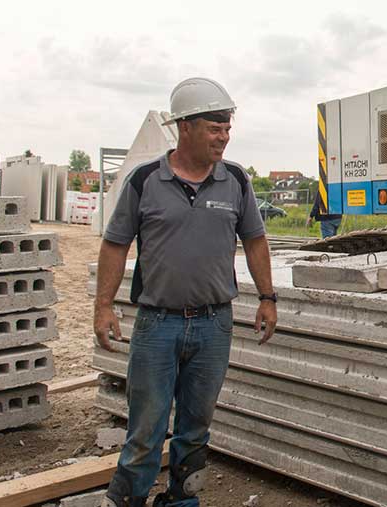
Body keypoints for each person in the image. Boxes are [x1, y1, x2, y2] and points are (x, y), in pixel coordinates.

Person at [93, 77, 278, 507]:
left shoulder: (235, 181)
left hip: (215, 324)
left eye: (227, 127)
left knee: (196, 428)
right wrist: (103, 306)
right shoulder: (144, 182)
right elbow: (115, 245)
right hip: (158, 324)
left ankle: (181, 501)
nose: (224, 136)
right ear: (186, 127)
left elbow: (254, 239)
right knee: (145, 430)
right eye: (215, 127)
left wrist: (268, 297)